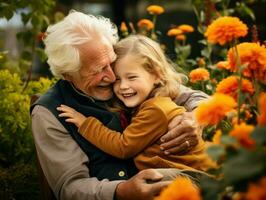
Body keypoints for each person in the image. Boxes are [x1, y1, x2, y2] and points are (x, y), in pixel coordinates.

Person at [30, 10, 209, 200]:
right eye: (98, 70)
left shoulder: (130, 81)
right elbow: (71, 187)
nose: (112, 76)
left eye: (111, 63)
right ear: (68, 74)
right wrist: (121, 191)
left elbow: (196, 97)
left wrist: (196, 118)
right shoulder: (48, 113)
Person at [57, 35, 214, 174]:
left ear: (157, 75)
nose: (123, 86)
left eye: (131, 77)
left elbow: (123, 147)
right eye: (117, 79)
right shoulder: (148, 101)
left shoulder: (156, 109)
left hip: (192, 177)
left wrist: (85, 124)